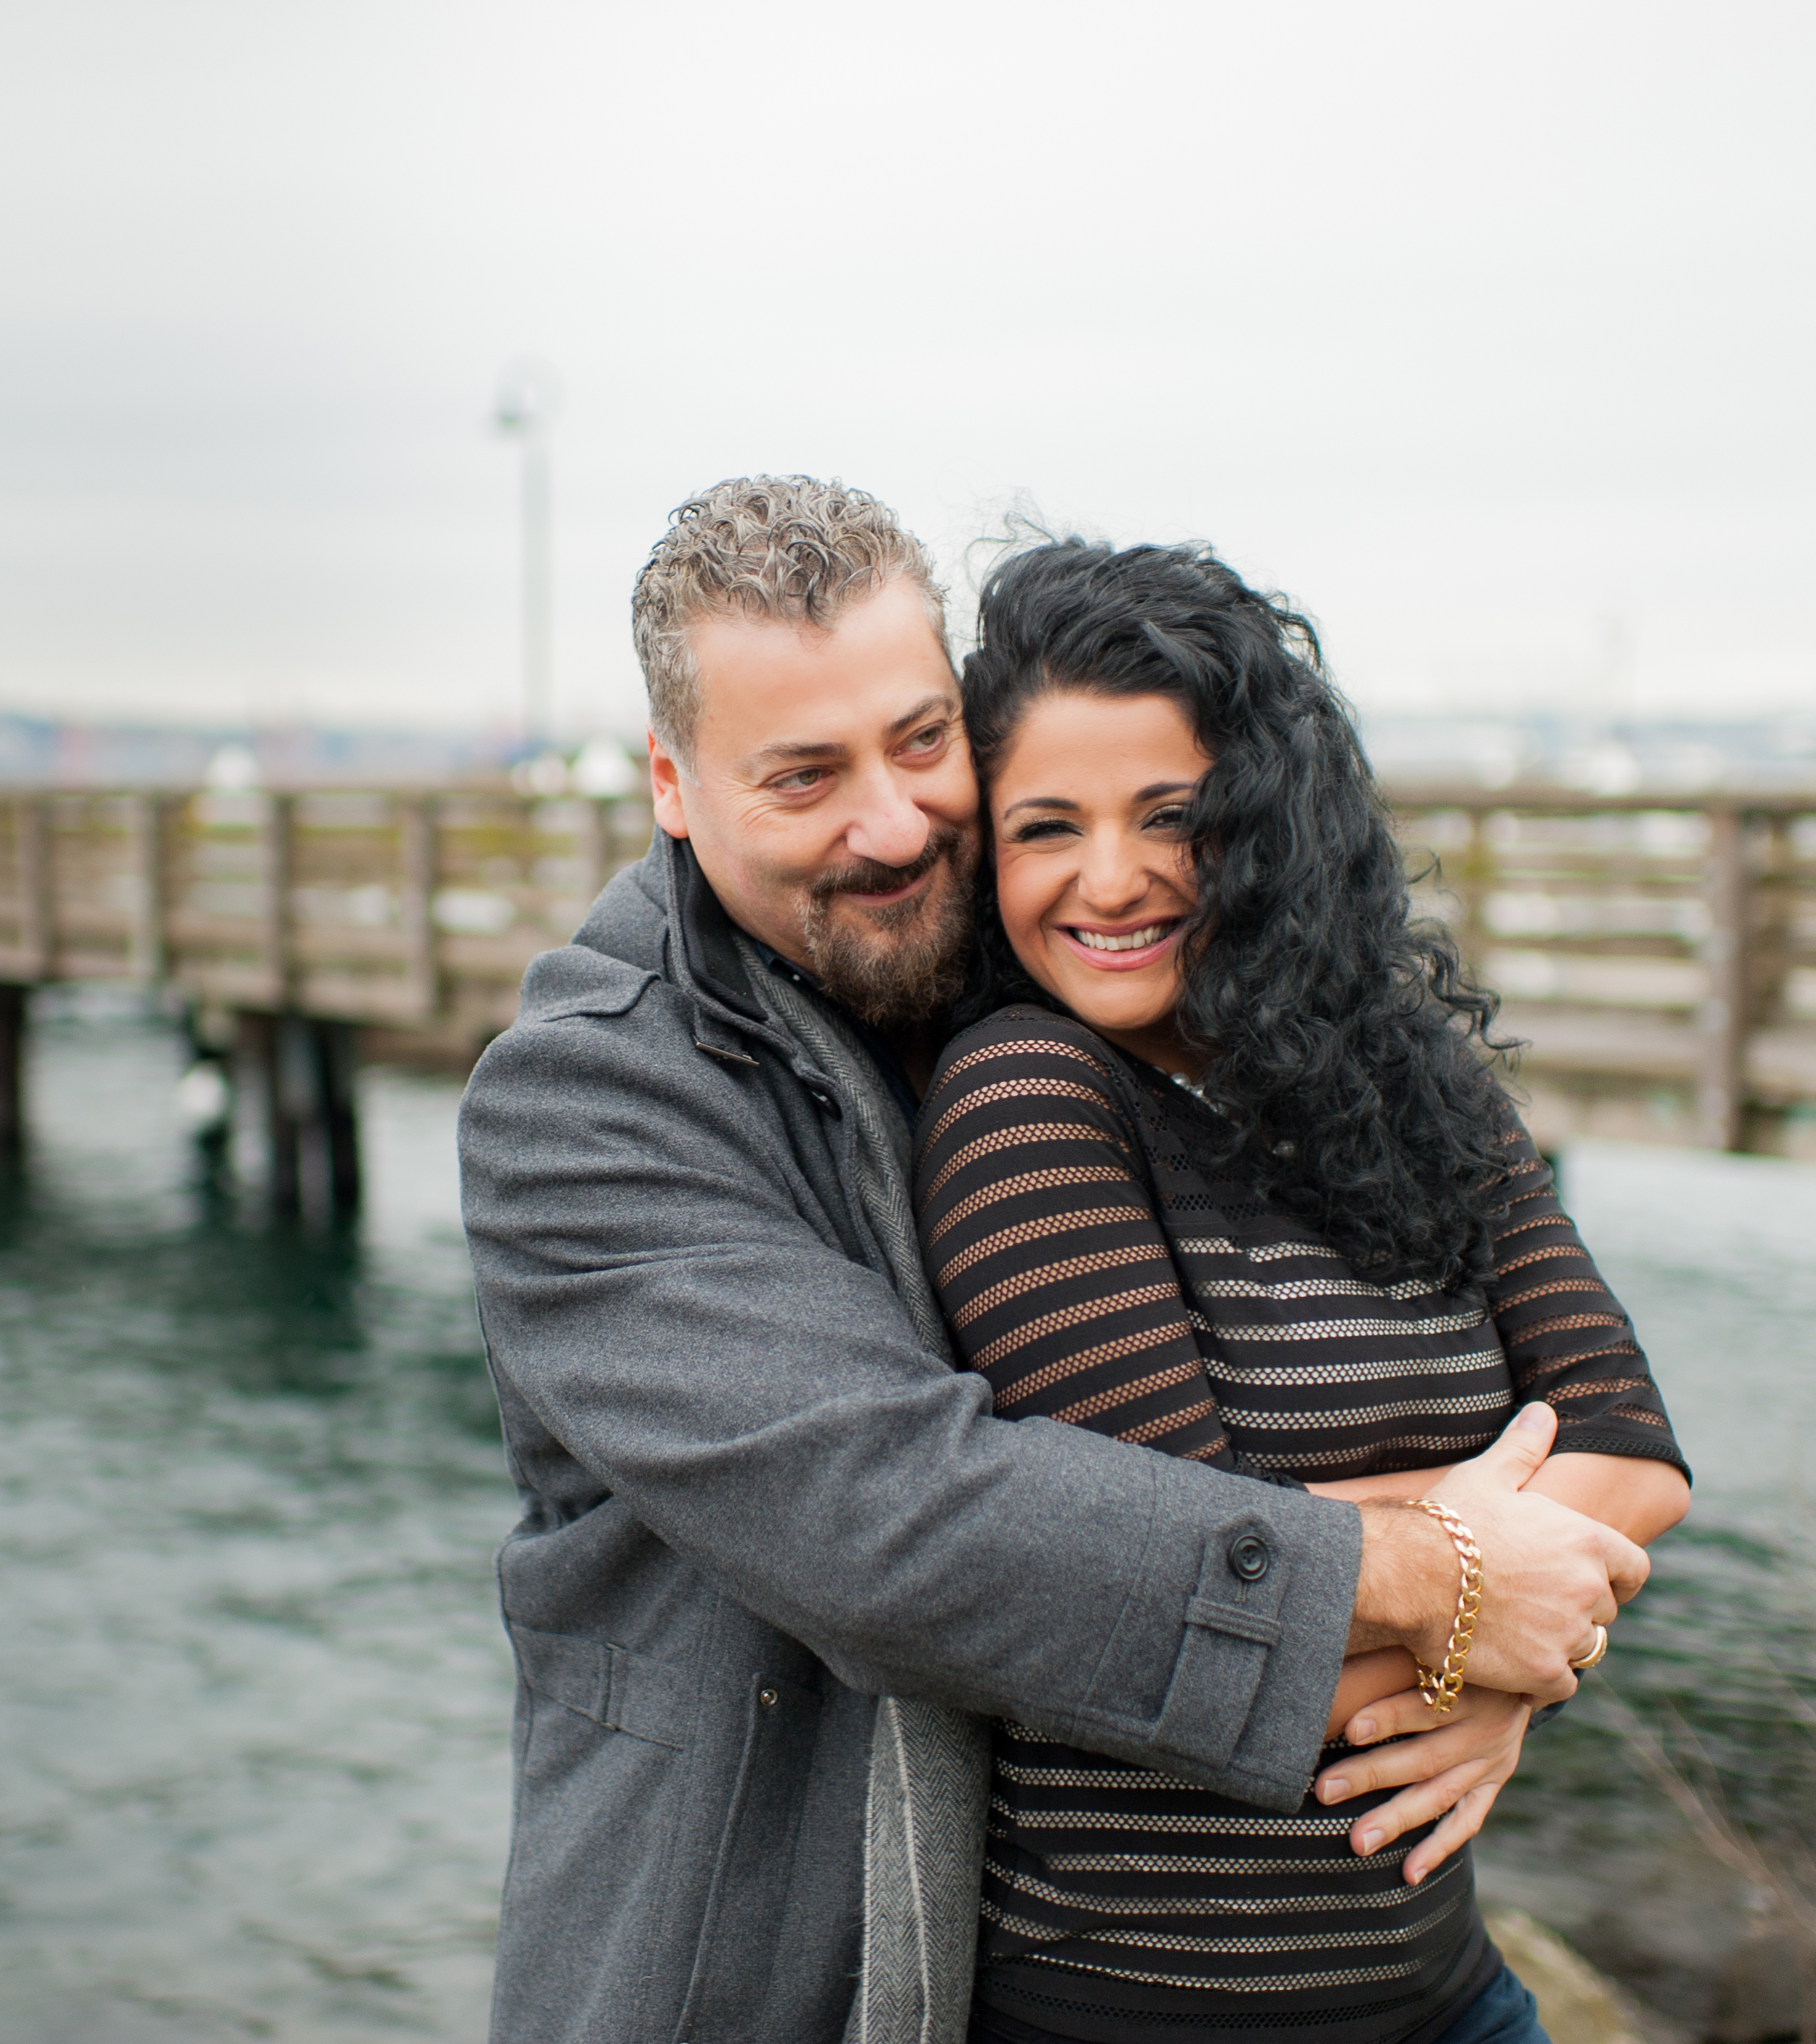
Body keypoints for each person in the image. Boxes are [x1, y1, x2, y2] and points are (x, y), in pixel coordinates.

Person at [456, 477, 1651, 2044]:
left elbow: (1599, 1432)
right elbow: (905, 1522)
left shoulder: (1023, 973)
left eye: (918, 742)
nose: (889, 824)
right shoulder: (588, 1103)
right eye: (803, 775)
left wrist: (1492, 1672)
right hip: (759, 1981)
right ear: (673, 788)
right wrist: (1457, 1591)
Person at [917, 536, 1691, 2044]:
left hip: (1449, 1996)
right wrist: (1495, 1614)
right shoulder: (1025, 1101)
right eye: (1046, 827)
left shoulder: (1414, 1078)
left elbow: (1634, 1451)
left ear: (1264, 823)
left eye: (1170, 816)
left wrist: (1443, 1614)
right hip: (1145, 2007)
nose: (1109, 877)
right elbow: (1171, 1605)